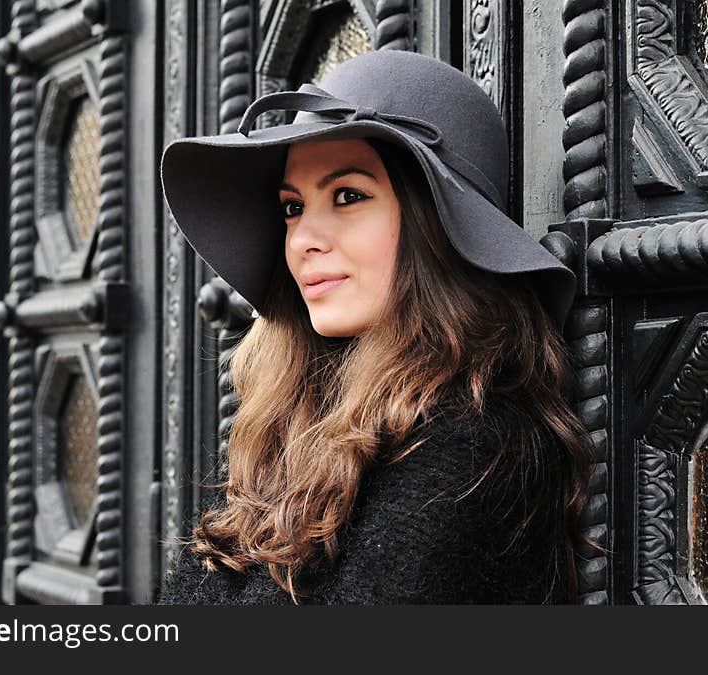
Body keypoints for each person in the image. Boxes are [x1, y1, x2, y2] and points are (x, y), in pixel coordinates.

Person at [156, 50, 594, 604]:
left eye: (347, 196)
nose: (302, 239)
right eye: (292, 208)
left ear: (435, 229)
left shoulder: (474, 444)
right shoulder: (295, 419)